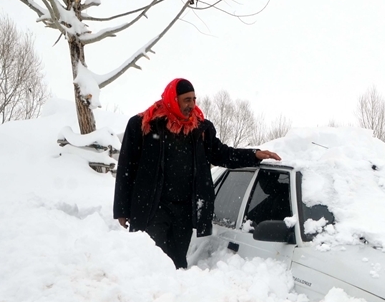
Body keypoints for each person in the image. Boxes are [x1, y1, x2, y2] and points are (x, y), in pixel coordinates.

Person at [113, 78, 281, 268]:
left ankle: (175, 295)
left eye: (194, 99)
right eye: (186, 100)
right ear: (173, 99)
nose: (192, 105)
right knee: (153, 262)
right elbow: (127, 168)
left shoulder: (200, 129)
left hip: (184, 210)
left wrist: (254, 155)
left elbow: (221, 154)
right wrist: (122, 209)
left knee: (178, 262)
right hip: (152, 207)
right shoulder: (144, 125)